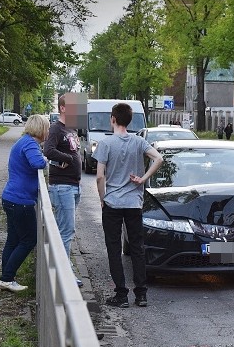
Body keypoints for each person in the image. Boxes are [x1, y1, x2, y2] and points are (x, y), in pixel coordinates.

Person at [95, 102, 163, 308]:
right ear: (129, 120)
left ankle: (121, 294)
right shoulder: (138, 142)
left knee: (114, 248)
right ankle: (141, 294)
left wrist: (102, 199)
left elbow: (99, 176)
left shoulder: (105, 144)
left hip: (113, 203)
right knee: (137, 247)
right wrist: (142, 179)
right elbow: (159, 158)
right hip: (134, 203)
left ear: (113, 119)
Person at [0, 115, 49, 292]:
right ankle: (6, 277)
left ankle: (6, 277)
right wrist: (46, 160)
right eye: (47, 128)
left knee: (12, 240)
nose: (48, 132)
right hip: (21, 201)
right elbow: (37, 163)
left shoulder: (23, 142)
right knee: (29, 240)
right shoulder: (30, 144)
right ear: (41, 129)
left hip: (11, 197)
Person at [44, 93, 83, 286]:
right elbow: (48, 150)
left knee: (66, 230)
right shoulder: (55, 128)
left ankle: (62, 269)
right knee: (66, 231)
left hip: (73, 185)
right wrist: (67, 159)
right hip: (62, 186)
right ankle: (64, 275)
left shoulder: (71, 128)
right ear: (63, 108)